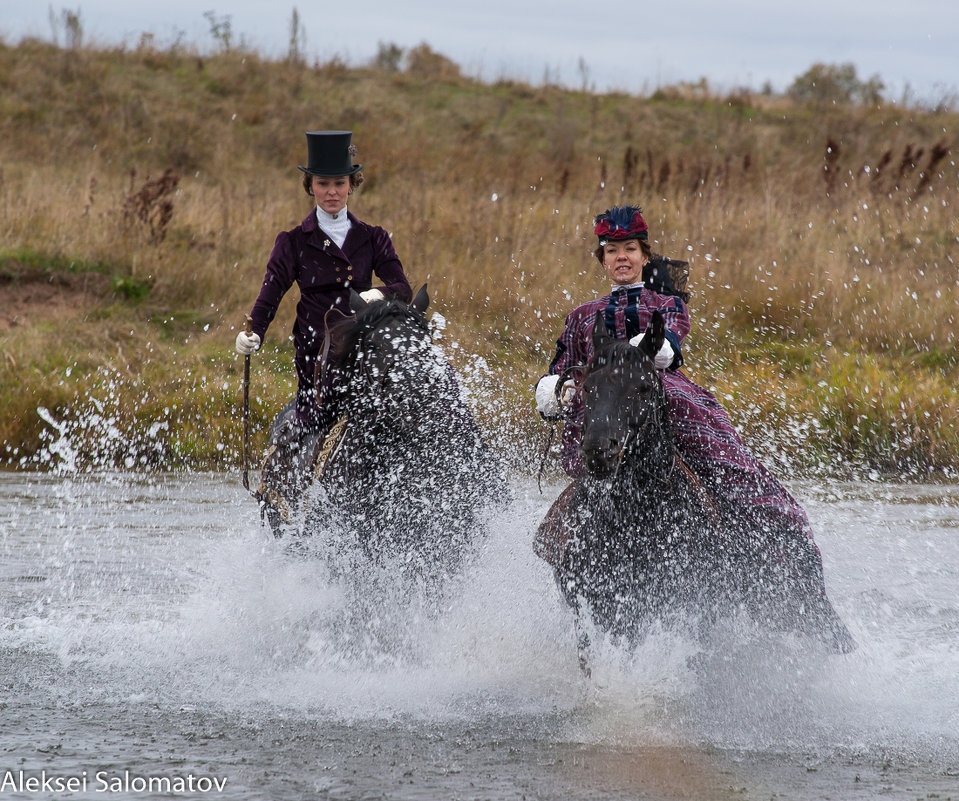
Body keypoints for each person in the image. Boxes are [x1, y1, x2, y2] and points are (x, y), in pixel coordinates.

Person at [534, 204, 827, 578]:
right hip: (603, 401)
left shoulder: (665, 303)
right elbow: (562, 364)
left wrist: (640, 353)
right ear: (602, 259)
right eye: (612, 251)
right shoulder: (582, 314)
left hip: (658, 387)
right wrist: (554, 390)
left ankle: (754, 505)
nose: (621, 258)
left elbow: (669, 343)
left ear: (644, 256)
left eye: (630, 250)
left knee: (697, 428)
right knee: (592, 421)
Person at [235, 130, 412, 519]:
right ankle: (286, 492)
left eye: (339, 183)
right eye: (323, 184)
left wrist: (375, 295)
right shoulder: (294, 242)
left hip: (365, 352)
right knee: (308, 418)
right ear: (311, 187)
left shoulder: (374, 238)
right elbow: (272, 292)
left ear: (351, 186)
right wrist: (254, 333)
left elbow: (403, 287)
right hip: (317, 354)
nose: (332, 191)